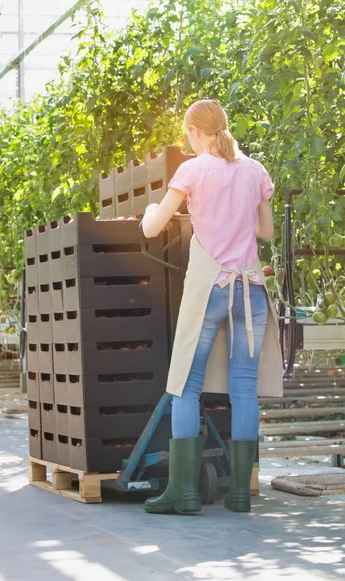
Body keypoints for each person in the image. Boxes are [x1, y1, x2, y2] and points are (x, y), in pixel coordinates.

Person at [140, 100, 283, 515]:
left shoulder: (193, 169)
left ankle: (184, 493)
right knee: (243, 389)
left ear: (195, 133)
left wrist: (153, 209)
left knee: (186, 383)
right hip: (251, 288)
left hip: (210, 290)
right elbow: (266, 232)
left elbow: (152, 227)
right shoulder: (255, 171)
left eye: (188, 134)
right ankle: (239, 494)